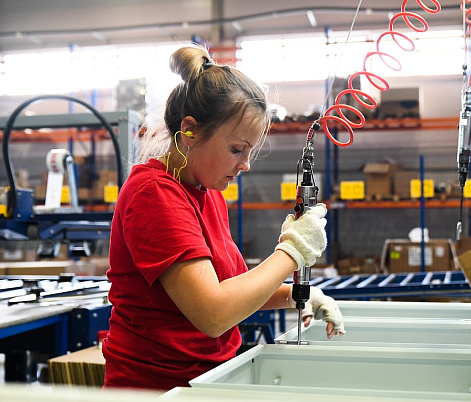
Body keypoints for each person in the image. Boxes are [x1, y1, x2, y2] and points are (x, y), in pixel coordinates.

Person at [102, 45, 344, 391]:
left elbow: (230, 289)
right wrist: (293, 250)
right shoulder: (153, 194)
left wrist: (296, 295)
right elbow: (213, 314)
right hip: (157, 388)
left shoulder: (207, 191)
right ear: (190, 132)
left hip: (207, 379)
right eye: (236, 150)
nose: (245, 164)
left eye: (250, 152)